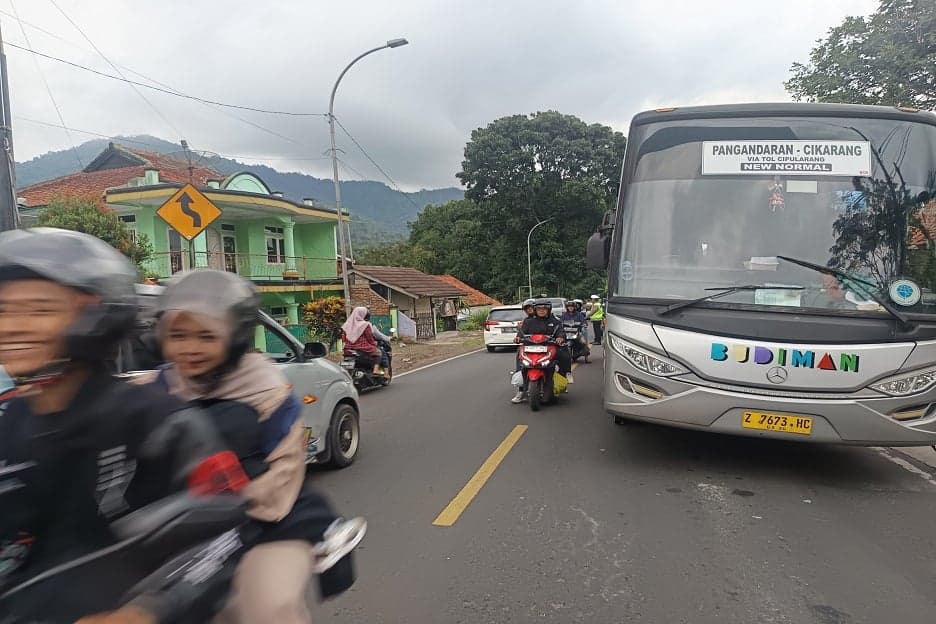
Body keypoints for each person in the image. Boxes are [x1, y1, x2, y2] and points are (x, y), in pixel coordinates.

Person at [0, 228, 237, 623]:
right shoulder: (9, 426)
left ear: (94, 316)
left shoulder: (158, 422)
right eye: (3, 310)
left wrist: (146, 611)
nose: (12, 327)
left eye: (39, 310)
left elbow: (225, 538)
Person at [138, 268, 357, 624]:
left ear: (234, 337)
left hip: (266, 519)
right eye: (178, 335)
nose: (190, 348)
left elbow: (285, 471)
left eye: (206, 336)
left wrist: (233, 508)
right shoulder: (156, 388)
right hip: (181, 527)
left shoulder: (266, 390)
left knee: (266, 608)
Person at [511, 300, 573, 403]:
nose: (541, 311)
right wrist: (518, 337)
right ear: (535, 310)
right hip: (530, 348)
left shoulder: (555, 321)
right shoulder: (528, 321)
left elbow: (561, 332)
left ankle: (565, 375)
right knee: (520, 355)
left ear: (549, 310)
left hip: (549, 347)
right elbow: (521, 333)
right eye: (539, 309)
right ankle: (521, 390)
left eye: (544, 309)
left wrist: (560, 338)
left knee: (564, 353)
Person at [341, 306, 382, 375]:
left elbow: (344, 338)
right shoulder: (365, 324)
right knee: (379, 352)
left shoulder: (347, 324)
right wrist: (374, 344)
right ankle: (376, 370)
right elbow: (369, 338)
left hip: (348, 349)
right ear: (364, 314)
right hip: (363, 348)